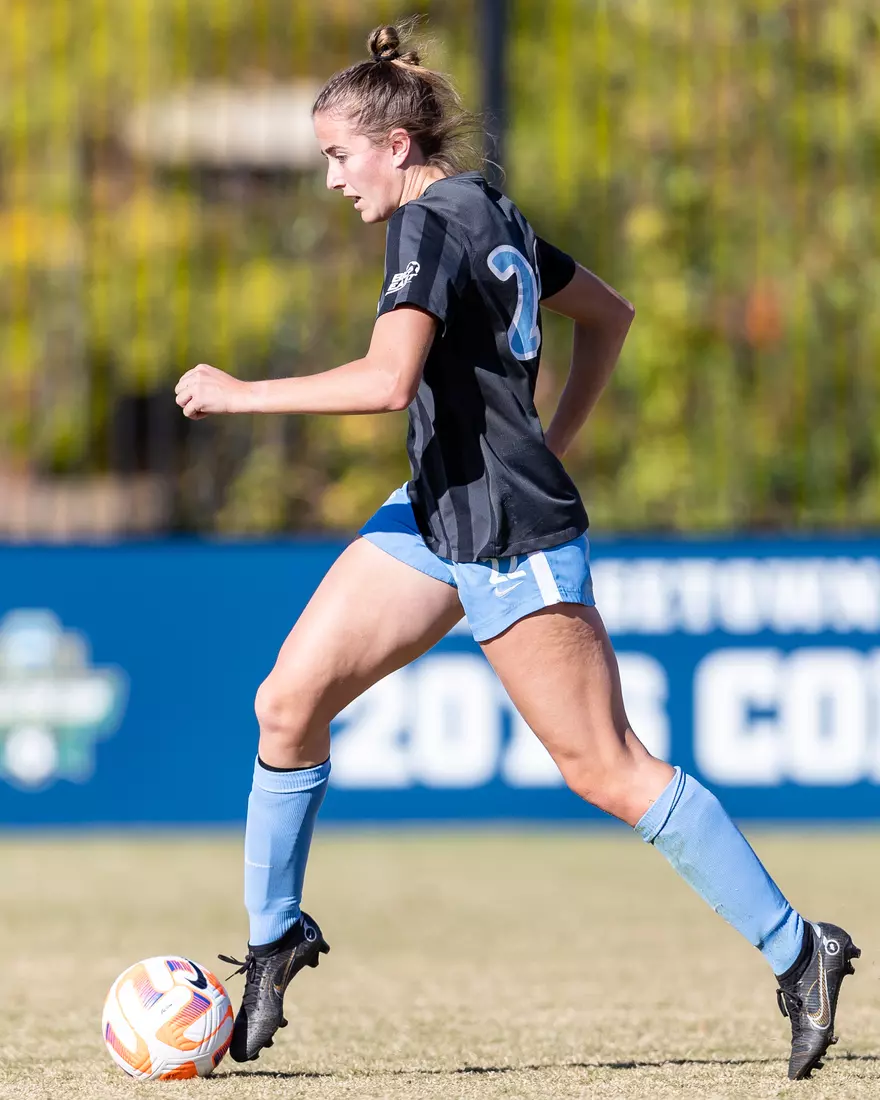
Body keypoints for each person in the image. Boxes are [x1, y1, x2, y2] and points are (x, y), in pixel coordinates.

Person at [175, 22, 859, 1083]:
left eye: (335, 155)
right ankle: (274, 937)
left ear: (395, 145)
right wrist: (554, 435)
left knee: (607, 767)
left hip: (506, 532)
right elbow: (610, 314)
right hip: (436, 513)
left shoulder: (424, 226)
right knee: (285, 701)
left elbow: (388, 379)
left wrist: (239, 392)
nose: (327, 180)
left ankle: (798, 948)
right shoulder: (481, 204)